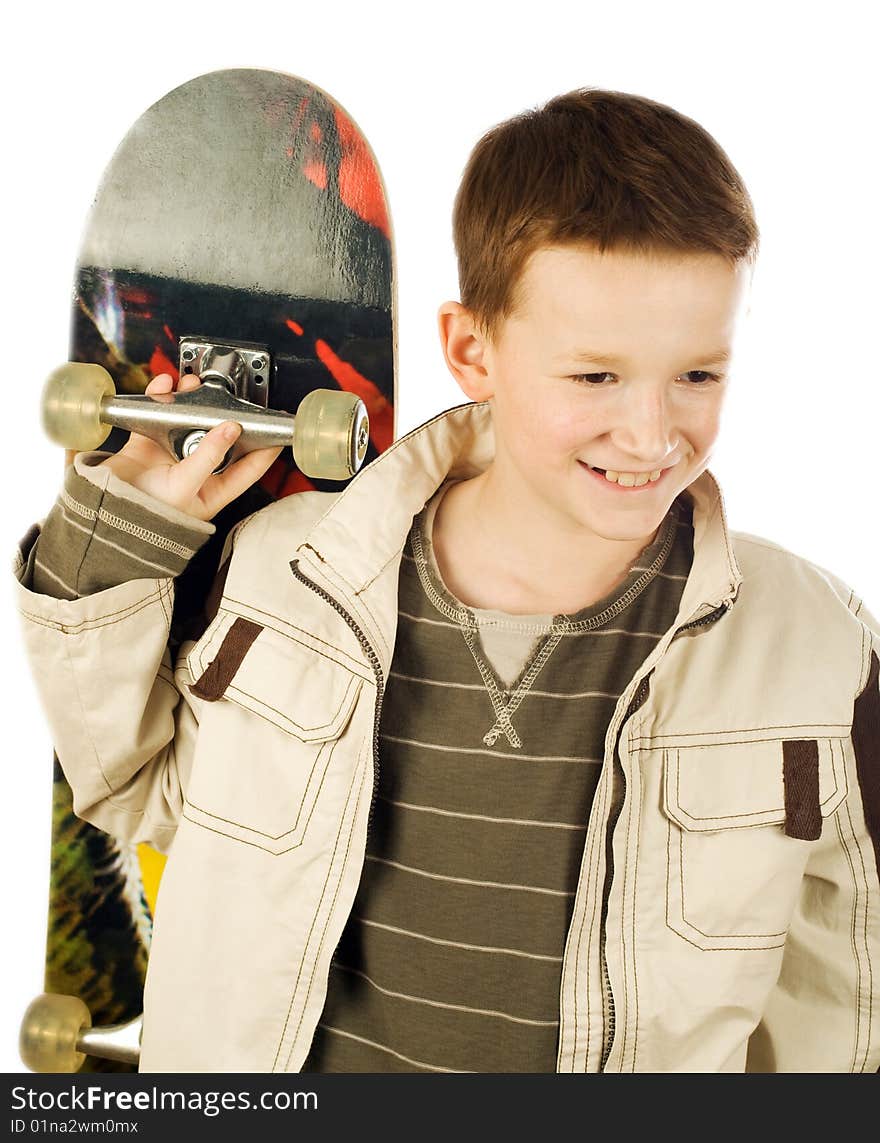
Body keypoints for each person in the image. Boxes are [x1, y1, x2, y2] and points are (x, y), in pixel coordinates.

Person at [14, 88, 879, 1074]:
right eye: (594, 378)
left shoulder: (814, 645)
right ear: (472, 349)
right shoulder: (287, 576)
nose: (651, 434)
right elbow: (134, 793)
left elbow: (846, 996)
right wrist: (108, 539)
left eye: (697, 375)